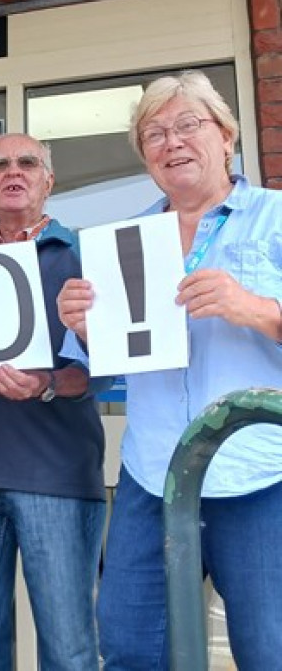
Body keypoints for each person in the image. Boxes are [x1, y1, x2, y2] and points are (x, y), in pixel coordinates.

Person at [58, 70, 282, 670]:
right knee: (132, 648)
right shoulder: (126, 241)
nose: (171, 141)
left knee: (270, 650)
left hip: (260, 476)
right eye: (154, 134)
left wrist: (257, 310)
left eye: (188, 124)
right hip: (153, 475)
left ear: (227, 135)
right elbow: (91, 375)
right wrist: (83, 327)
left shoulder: (275, 218)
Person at [0, 133, 107, 671]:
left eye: (28, 163)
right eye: (0, 165)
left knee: (69, 644)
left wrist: (47, 382)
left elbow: (105, 368)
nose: (15, 172)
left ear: (48, 181)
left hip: (52, 473)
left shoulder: (81, 254)